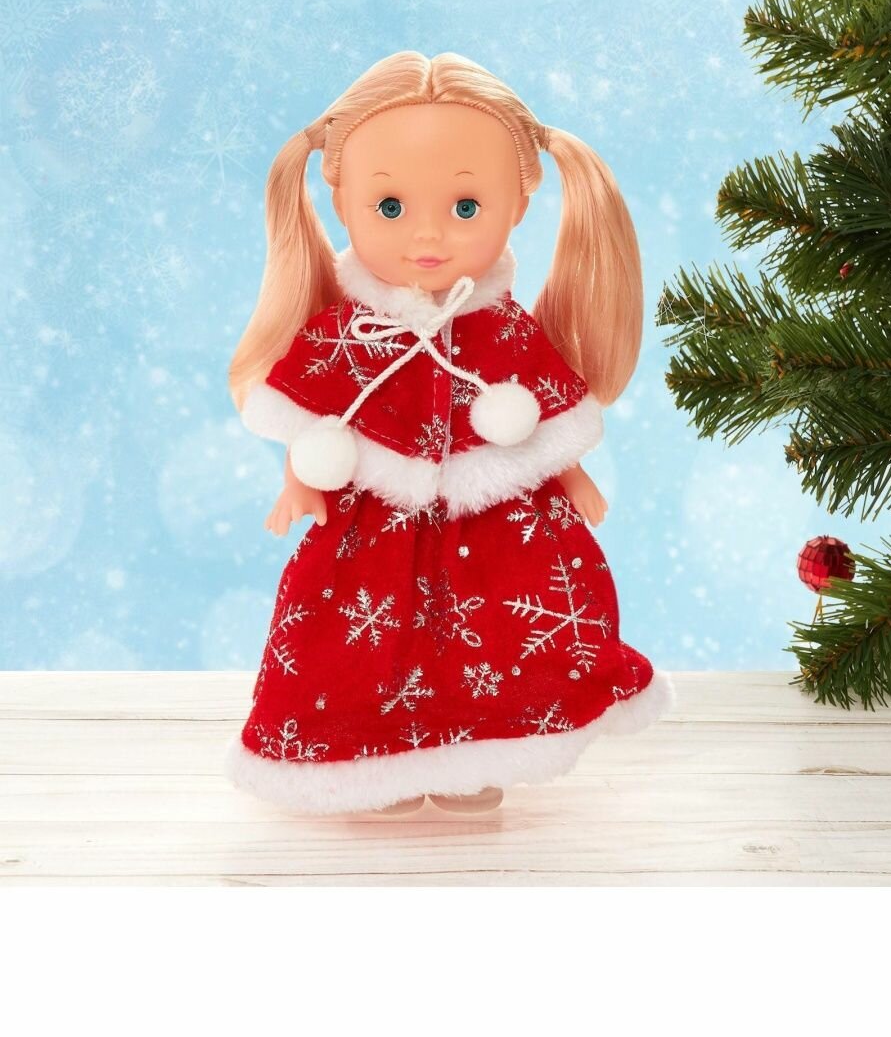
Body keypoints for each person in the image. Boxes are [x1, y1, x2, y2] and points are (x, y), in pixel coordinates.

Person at [224, 50, 675, 817]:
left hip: (499, 533)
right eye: (390, 206)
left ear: (519, 205)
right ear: (340, 201)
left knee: (501, 640)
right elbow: (313, 416)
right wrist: (300, 478)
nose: (427, 235)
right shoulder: (347, 335)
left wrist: (570, 472)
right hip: (371, 534)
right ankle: (372, 763)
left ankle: (480, 755)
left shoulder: (505, 331)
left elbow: (546, 421)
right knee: (360, 650)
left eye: (466, 207)